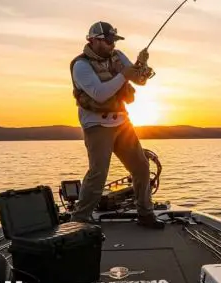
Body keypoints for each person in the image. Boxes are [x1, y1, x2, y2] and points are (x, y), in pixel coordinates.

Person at [68, 21, 163, 229]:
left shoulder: (118, 56)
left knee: (141, 167)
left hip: (122, 122)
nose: (112, 44)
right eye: (109, 40)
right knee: (98, 173)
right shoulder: (80, 65)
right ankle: (79, 220)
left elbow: (139, 80)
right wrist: (124, 75)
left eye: (114, 40)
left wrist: (141, 65)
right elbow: (99, 94)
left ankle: (145, 214)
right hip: (96, 126)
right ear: (94, 40)